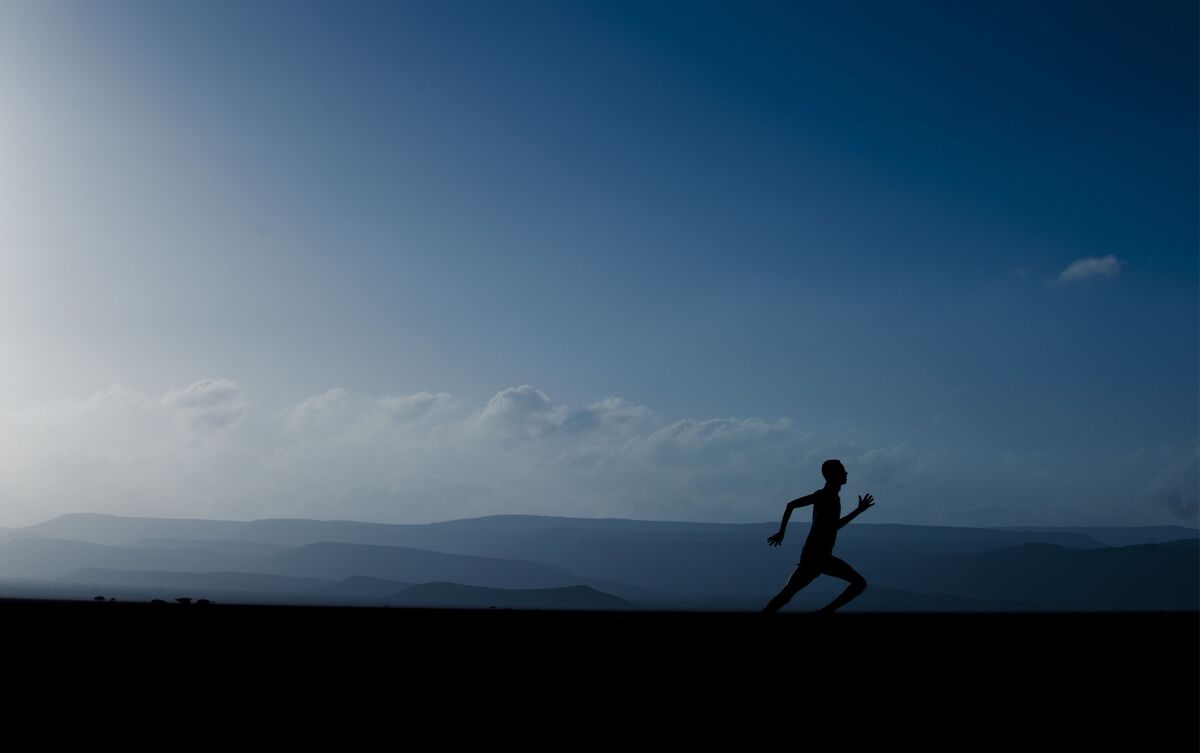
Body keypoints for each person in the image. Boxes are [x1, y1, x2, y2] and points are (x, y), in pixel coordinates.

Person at [763, 459, 874, 613]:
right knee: (859, 584)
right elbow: (793, 506)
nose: (846, 473)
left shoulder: (829, 496)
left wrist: (782, 533)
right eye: (842, 470)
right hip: (819, 557)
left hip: (813, 555)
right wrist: (858, 511)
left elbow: (792, 506)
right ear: (832, 475)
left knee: (787, 594)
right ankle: (826, 612)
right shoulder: (826, 496)